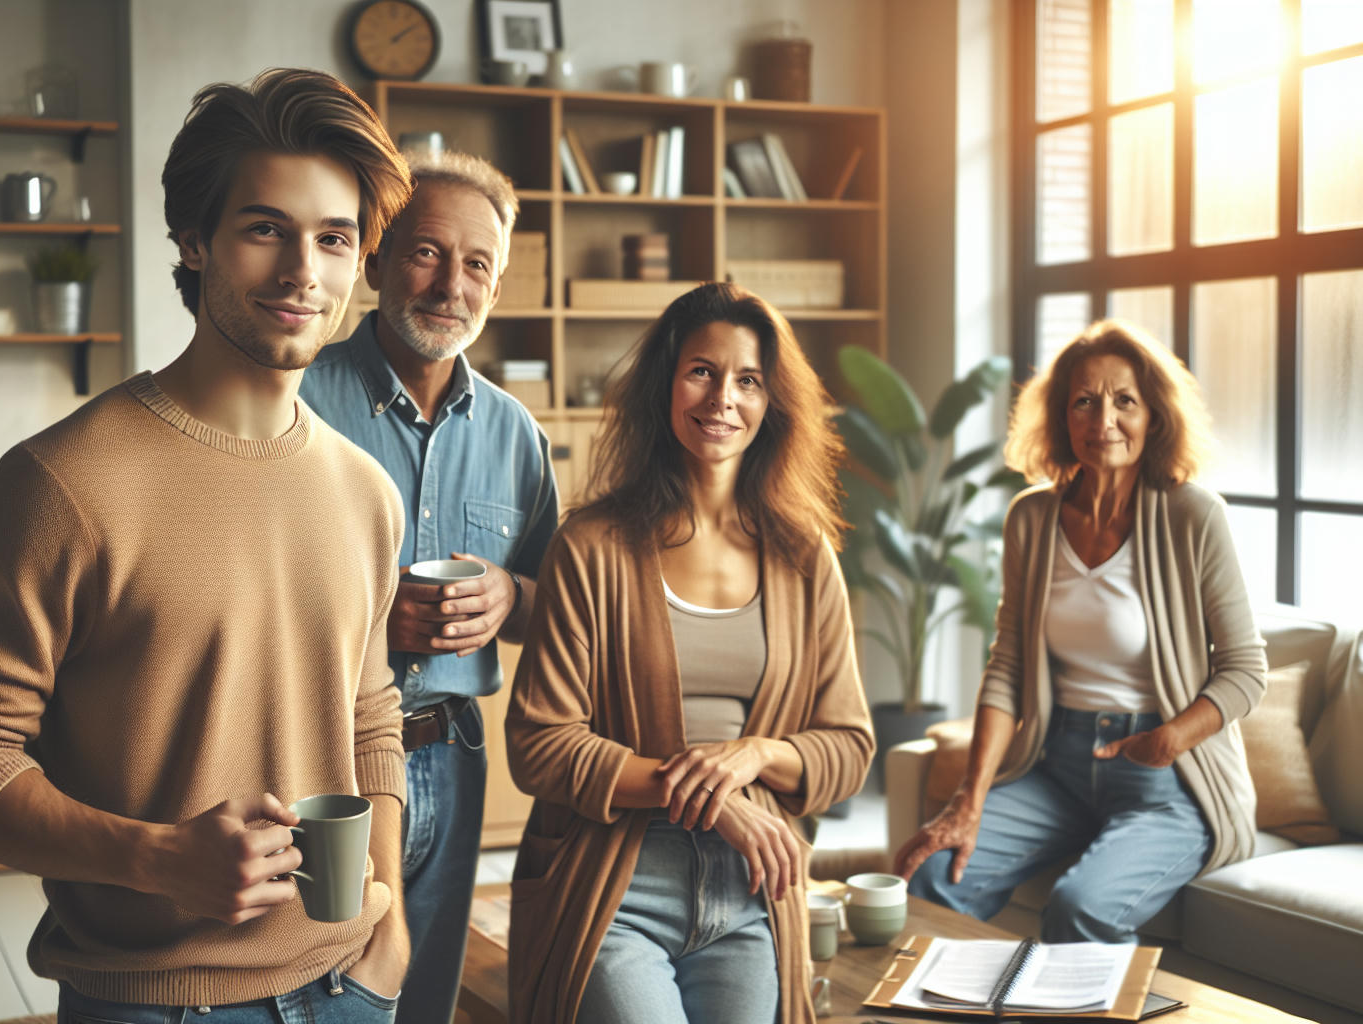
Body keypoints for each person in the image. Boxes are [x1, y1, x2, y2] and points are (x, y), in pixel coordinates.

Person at [0, 68, 416, 1022]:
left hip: (352, 987)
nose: (306, 271)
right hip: (152, 1004)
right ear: (193, 239)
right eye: (266, 229)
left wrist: (388, 915)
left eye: (334, 239)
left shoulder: (366, 491)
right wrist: (155, 858)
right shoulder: (63, 484)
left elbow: (370, 716)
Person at [503, 282, 875, 1024]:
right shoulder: (592, 546)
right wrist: (719, 806)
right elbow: (540, 746)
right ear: (666, 384)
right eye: (702, 371)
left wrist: (756, 756)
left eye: (748, 380)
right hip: (616, 886)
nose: (722, 399)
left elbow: (850, 747)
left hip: (749, 896)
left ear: (773, 404)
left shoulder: (806, 558)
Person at [891, 318, 1268, 944]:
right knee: (933, 880)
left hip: (1165, 774)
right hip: (1056, 763)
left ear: (1154, 415)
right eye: (1085, 403)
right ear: (1062, 418)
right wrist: (968, 800)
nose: (1104, 421)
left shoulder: (1192, 515)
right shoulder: (1032, 518)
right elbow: (1007, 667)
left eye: (1125, 401)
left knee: (1078, 909)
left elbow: (1246, 670)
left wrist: (1171, 738)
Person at [298, 149, 559, 1024]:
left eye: (477, 264)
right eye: (426, 253)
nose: (452, 284)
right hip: (318, 756)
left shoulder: (517, 434)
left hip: (453, 757)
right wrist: (373, 617)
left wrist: (510, 600)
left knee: (424, 1000)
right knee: (316, 991)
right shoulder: (297, 401)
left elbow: (552, 604)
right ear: (374, 259)